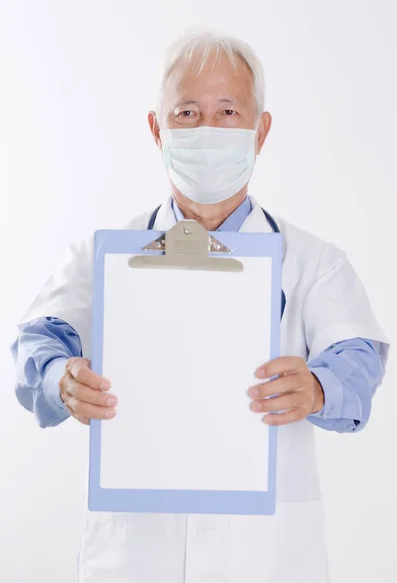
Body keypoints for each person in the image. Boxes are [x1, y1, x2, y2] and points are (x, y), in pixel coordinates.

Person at [11, 31, 389, 583]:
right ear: (156, 129)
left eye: (229, 111)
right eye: (186, 112)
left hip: (268, 557)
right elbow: (37, 343)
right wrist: (59, 379)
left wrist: (320, 386)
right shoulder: (101, 255)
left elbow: (357, 358)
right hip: (135, 554)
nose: (207, 130)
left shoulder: (314, 263)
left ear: (261, 131)